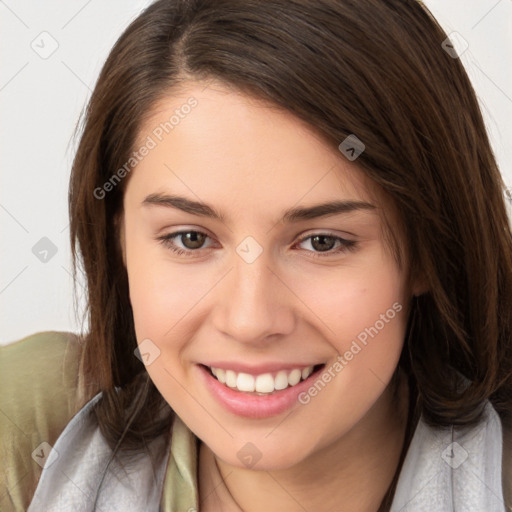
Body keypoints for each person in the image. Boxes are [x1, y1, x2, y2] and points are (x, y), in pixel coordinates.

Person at [1, 0, 511, 511]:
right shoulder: (28, 425)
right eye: (191, 239)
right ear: (119, 242)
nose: (250, 321)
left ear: (428, 250)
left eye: (322, 242)